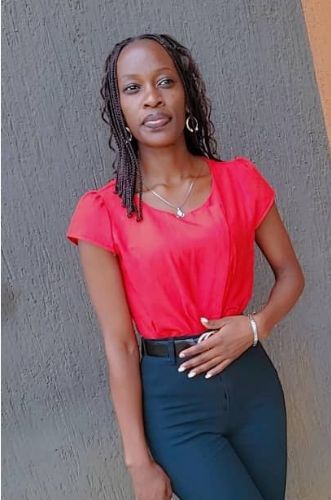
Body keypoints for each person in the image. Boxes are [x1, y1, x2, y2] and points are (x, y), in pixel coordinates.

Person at [66, 33, 305, 500]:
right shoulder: (103, 213)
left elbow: (291, 274)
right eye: (132, 88)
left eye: (165, 81)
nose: (152, 98)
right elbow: (120, 344)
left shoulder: (239, 180)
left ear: (186, 93)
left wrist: (254, 327)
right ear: (120, 110)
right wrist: (138, 462)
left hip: (253, 384)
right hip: (175, 405)